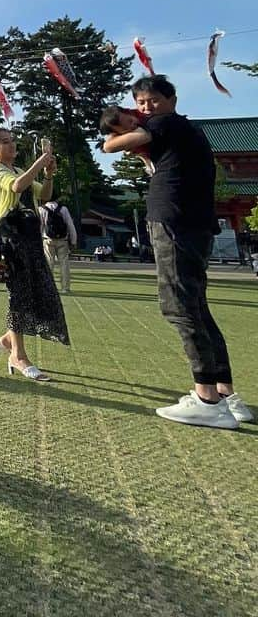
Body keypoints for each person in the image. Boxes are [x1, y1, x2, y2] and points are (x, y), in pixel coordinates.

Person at [103, 74, 252, 428]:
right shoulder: (183, 128)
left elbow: (114, 145)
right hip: (195, 221)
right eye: (140, 103)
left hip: (174, 221)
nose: (146, 108)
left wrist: (119, 134)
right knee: (197, 307)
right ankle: (225, 394)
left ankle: (206, 399)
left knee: (180, 306)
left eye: (152, 99)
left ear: (170, 99)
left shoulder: (163, 124)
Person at [0, 129, 69, 381]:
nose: (12, 145)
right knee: (19, 294)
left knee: (37, 291)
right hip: (11, 238)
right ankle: (18, 355)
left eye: (13, 140)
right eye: (5, 142)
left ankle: (7, 339)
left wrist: (48, 174)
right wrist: (42, 159)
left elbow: (44, 195)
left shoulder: (18, 170)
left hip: (30, 236)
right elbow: (17, 186)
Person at [99, 105, 154, 173]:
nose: (133, 126)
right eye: (126, 130)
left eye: (130, 121)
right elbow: (141, 153)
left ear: (129, 112)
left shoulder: (142, 114)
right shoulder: (130, 139)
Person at [40, 199, 77, 296]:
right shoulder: (63, 209)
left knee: (49, 263)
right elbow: (70, 225)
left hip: (48, 240)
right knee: (64, 264)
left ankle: (48, 287)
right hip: (62, 240)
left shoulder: (42, 209)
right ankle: (65, 288)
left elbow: (41, 226)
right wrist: (73, 241)